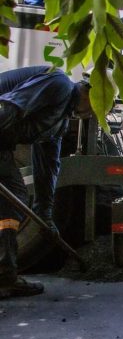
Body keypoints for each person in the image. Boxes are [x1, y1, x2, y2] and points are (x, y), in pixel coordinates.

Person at [0, 66, 93, 299]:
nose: (94, 114)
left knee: (10, 204)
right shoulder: (58, 84)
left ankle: (4, 276)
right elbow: (8, 108)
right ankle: (4, 278)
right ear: (90, 92)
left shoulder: (59, 122)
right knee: (14, 199)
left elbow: (47, 168)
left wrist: (45, 214)